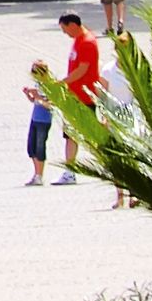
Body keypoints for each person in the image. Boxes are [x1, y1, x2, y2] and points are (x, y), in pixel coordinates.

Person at [55, 11, 104, 177]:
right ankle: (70, 170)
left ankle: (108, 165)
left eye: (65, 29)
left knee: (92, 135)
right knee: (70, 135)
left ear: (73, 25)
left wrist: (63, 82)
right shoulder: (77, 40)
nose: (65, 33)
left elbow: (82, 70)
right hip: (74, 96)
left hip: (85, 97)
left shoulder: (87, 42)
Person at [21, 71, 55, 186]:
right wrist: (29, 95)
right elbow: (34, 101)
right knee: (32, 146)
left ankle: (40, 175)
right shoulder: (38, 85)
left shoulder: (49, 86)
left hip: (44, 120)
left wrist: (38, 97)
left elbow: (50, 105)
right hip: (35, 118)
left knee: (40, 147)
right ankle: (36, 174)